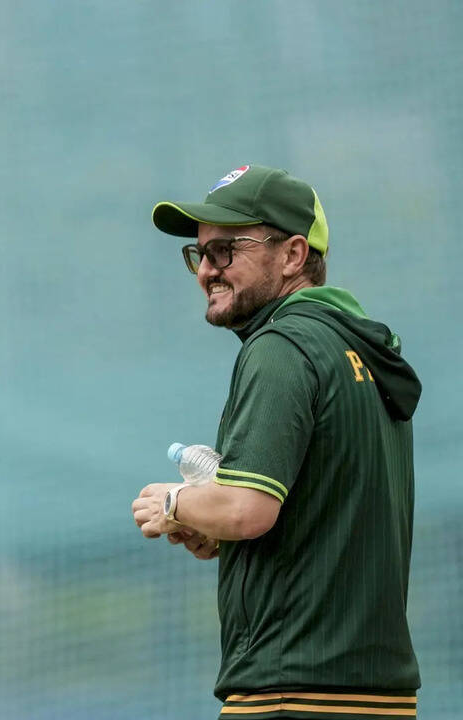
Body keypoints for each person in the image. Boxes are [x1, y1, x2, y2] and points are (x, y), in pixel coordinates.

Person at [131, 165, 421, 719]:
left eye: (226, 251)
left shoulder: (280, 346)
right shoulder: (359, 350)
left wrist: (174, 502)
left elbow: (247, 510)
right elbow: (317, 516)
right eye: (199, 254)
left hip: (292, 692)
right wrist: (214, 526)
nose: (207, 271)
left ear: (292, 255)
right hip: (383, 699)